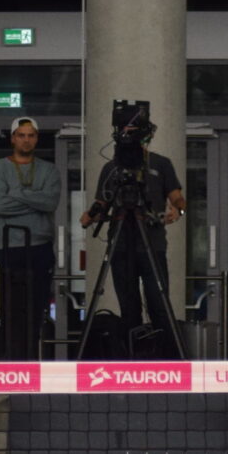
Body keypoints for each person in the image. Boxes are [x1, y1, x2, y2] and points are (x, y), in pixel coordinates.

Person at [77, 132, 184, 345]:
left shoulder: (161, 164)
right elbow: (102, 203)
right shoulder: (111, 168)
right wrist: (91, 215)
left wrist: (178, 210)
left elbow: (178, 199)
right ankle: (131, 354)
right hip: (121, 245)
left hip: (152, 243)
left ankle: (165, 354)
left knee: (159, 304)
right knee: (129, 308)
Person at [0, 118, 62, 361]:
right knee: (9, 311)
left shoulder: (49, 170)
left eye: (31, 135)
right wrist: (34, 198)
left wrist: (16, 193)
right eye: (21, 135)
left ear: (37, 138)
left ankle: (30, 361)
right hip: (7, 247)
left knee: (35, 310)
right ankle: (10, 361)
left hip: (39, 247)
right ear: (13, 138)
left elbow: (50, 202)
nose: (26, 140)